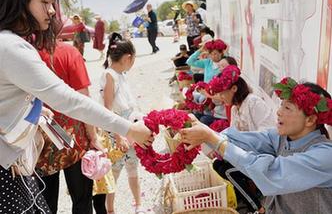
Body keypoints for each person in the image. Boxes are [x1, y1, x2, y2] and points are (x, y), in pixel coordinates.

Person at [0, 0, 152, 213]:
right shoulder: (12, 47)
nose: (52, 11)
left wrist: (36, 108)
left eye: (53, 3)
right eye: (45, 1)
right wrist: (128, 128)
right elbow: (71, 100)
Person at [181, 78, 332, 214]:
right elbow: (243, 139)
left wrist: (212, 138)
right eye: (282, 105)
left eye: (288, 108)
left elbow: (270, 172)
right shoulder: (282, 138)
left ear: (310, 120)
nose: (279, 112)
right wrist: (200, 130)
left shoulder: (325, 156)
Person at [36, 42, 105, 214]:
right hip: (74, 139)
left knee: (45, 204)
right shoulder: (69, 52)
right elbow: (83, 99)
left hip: (41, 139)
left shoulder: (27, 53)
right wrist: (93, 136)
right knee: (82, 200)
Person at [207, 65, 276, 213]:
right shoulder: (234, 108)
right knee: (218, 164)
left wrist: (241, 144)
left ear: (234, 89)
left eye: (222, 93)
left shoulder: (253, 102)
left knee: (228, 170)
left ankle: (257, 208)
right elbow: (232, 135)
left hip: (263, 155)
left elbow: (268, 132)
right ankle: (247, 200)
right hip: (247, 153)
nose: (220, 97)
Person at [100, 40, 145, 214]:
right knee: (114, 171)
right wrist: (118, 135)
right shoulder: (109, 75)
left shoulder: (121, 74)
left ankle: (138, 204)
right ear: (128, 58)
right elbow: (108, 109)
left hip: (129, 126)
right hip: (117, 128)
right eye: (134, 59)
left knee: (133, 166)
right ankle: (110, 210)